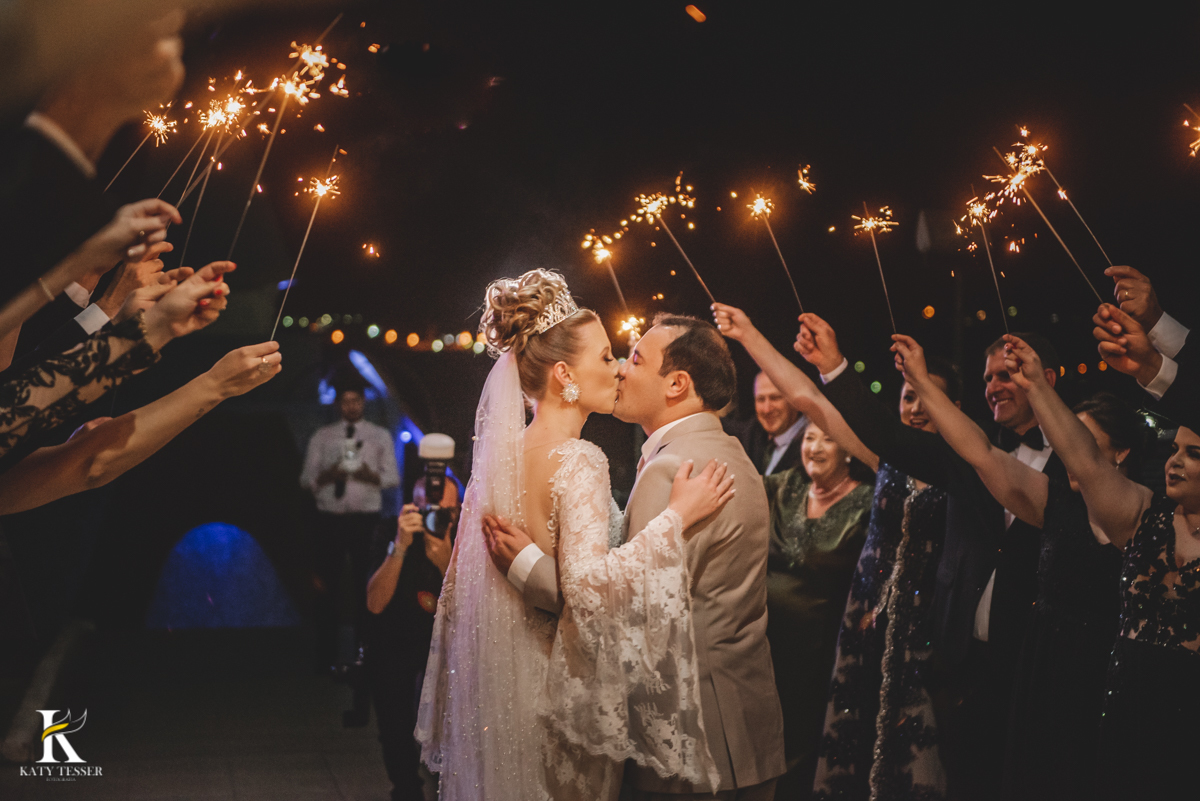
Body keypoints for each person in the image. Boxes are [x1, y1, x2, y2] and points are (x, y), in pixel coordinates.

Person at [420, 270, 736, 801]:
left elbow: (457, 598)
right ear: (565, 374)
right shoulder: (581, 461)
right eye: (607, 357)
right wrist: (676, 518)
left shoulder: (496, 463)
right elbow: (588, 589)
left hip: (500, 693)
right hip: (560, 699)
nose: (618, 369)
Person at [485, 300, 786, 800]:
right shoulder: (726, 452)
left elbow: (624, 609)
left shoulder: (676, 469)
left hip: (695, 742)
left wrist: (526, 566)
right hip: (739, 729)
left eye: (636, 359)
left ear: (677, 384)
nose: (622, 369)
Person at [795, 313, 1063, 801]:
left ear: (1047, 377)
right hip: (966, 663)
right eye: (988, 378)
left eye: (1006, 374)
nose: (994, 387)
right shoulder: (974, 454)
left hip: (1038, 663)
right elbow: (886, 434)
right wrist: (835, 367)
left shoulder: (1076, 460)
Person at [713, 302, 953, 800]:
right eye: (908, 395)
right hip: (864, 629)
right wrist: (750, 334)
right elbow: (810, 401)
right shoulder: (888, 461)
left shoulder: (964, 473)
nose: (914, 408)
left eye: (927, 397)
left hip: (922, 630)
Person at [889, 334, 1139, 800]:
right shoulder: (1054, 503)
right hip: (1030, 665)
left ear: (1120, 452)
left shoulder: (1142, 515)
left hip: (1092, 677)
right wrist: (920, 381)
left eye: (1082, 443)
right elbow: (980, 451)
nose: (1071, 453)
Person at [1000, 334, 1200, 798]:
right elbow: (1085, 460)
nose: (1174, 462)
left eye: (1193, 454)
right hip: (1123, 706)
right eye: (1174, 450)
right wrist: (1037, 387)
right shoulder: (1144, 517)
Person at [365, 476, 457, 801]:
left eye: (447, 511)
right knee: (394, 724)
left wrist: (445, 561)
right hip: (396, 639)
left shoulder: (465, 535)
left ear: (459, 511)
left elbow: (472, 610)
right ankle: (405, 789)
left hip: (446, 644)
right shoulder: (391, 530)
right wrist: (400, 547)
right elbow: (375, 603)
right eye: (429, 510)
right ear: (412, 508)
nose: (437, 518)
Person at [300, 383, 400, 673]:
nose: (351, 406)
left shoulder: (378, 435)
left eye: (356, 400)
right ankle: (325, 656)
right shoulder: (323, 436)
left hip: (365, 519)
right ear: (338, 404)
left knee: (365, 583)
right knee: (327, 585)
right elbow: (305, 480)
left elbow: (392, 478)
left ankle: (365, 653)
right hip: (329, 519)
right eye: (346, 401)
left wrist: (369, 475)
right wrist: (330, 473)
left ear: (363, 402)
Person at [739, 371, 808, 476]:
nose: (767, 409)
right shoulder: (753, 435)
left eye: (775, 398)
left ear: (795, 400)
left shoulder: (812, 443)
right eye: (760, 399)